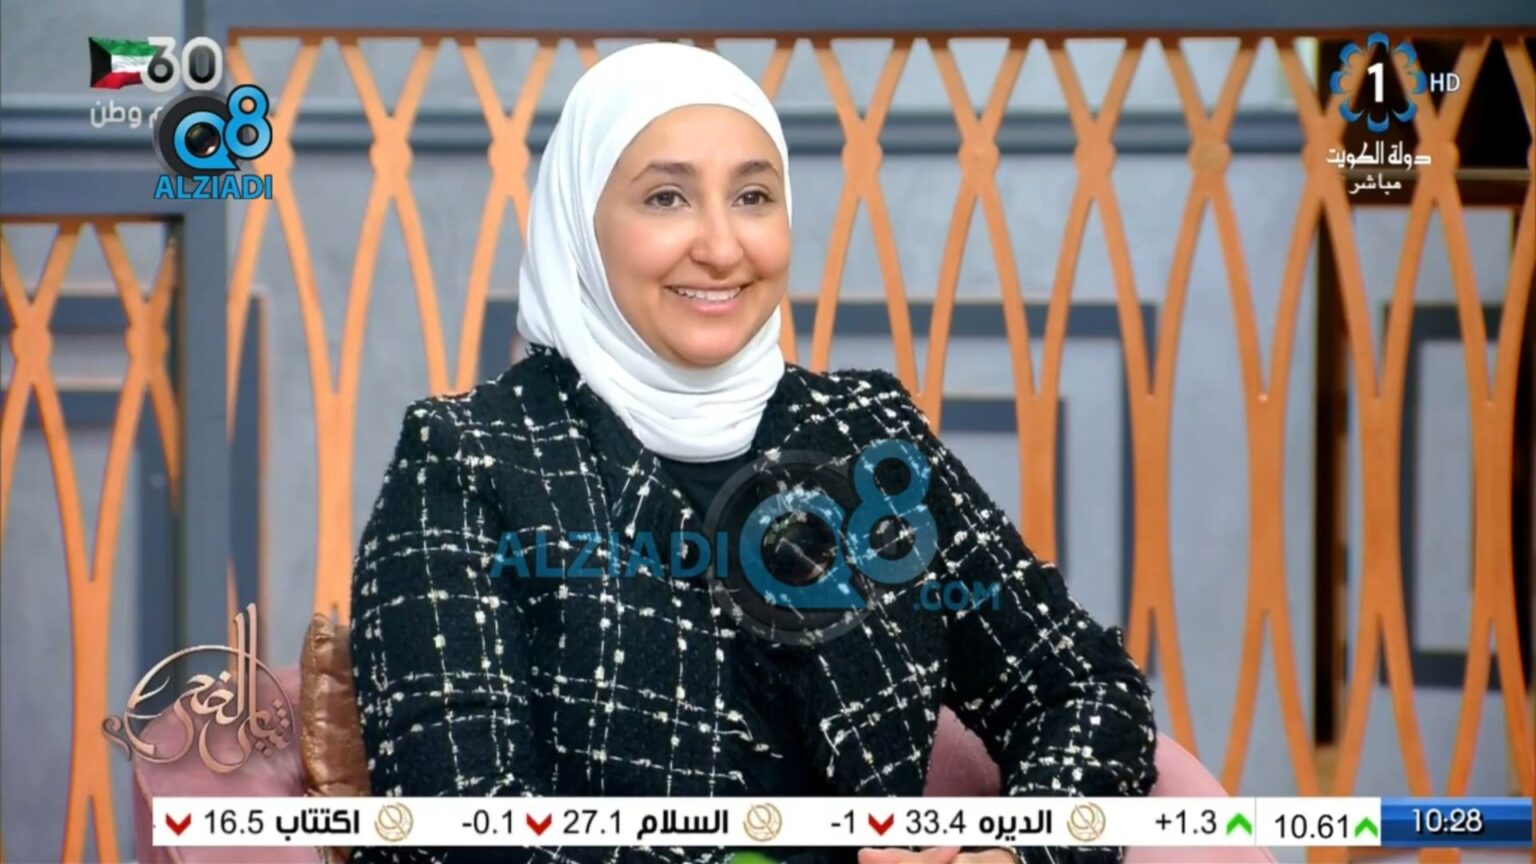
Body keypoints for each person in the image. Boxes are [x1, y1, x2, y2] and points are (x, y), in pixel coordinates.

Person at [348, 42, 1158, 864]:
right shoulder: (469, 456)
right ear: (581, 225)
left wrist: (1017, 855)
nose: (722, 246)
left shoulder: (869, 434)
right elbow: (457, 822)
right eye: (666, 197)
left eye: (753, 196)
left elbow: (1083, 687)